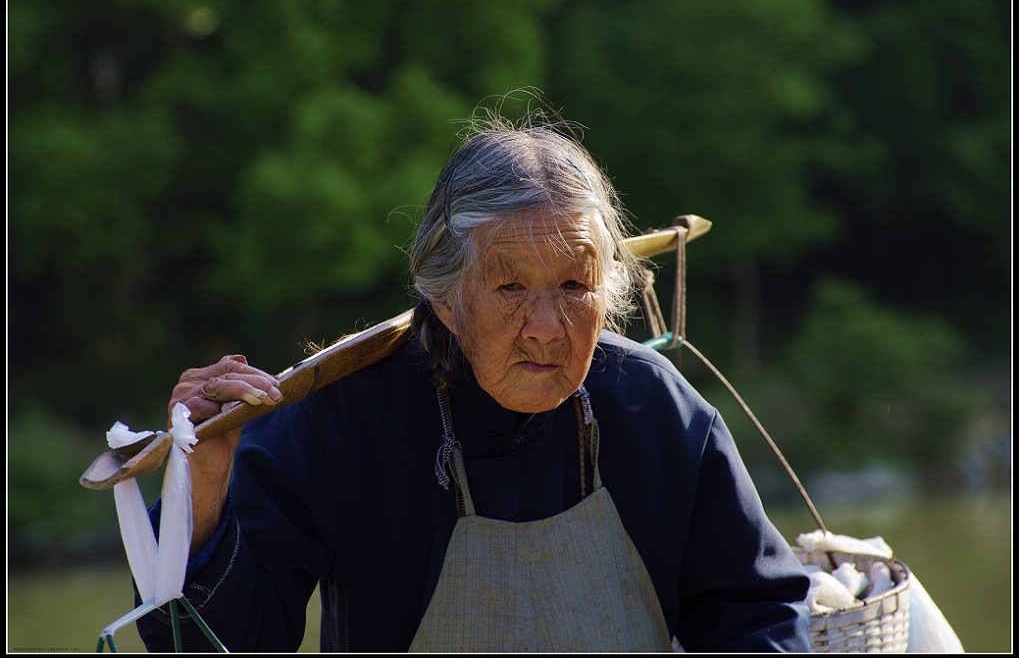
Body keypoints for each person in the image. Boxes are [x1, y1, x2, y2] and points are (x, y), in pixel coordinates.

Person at [136, 105, 811, 652]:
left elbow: (756, 613)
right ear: (443, 296)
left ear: (607, 290)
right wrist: (202, 490)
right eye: (510, 284)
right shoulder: (340, 418)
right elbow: (217, 646)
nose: (545, 325)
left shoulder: (653, 407)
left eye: (574, 283)